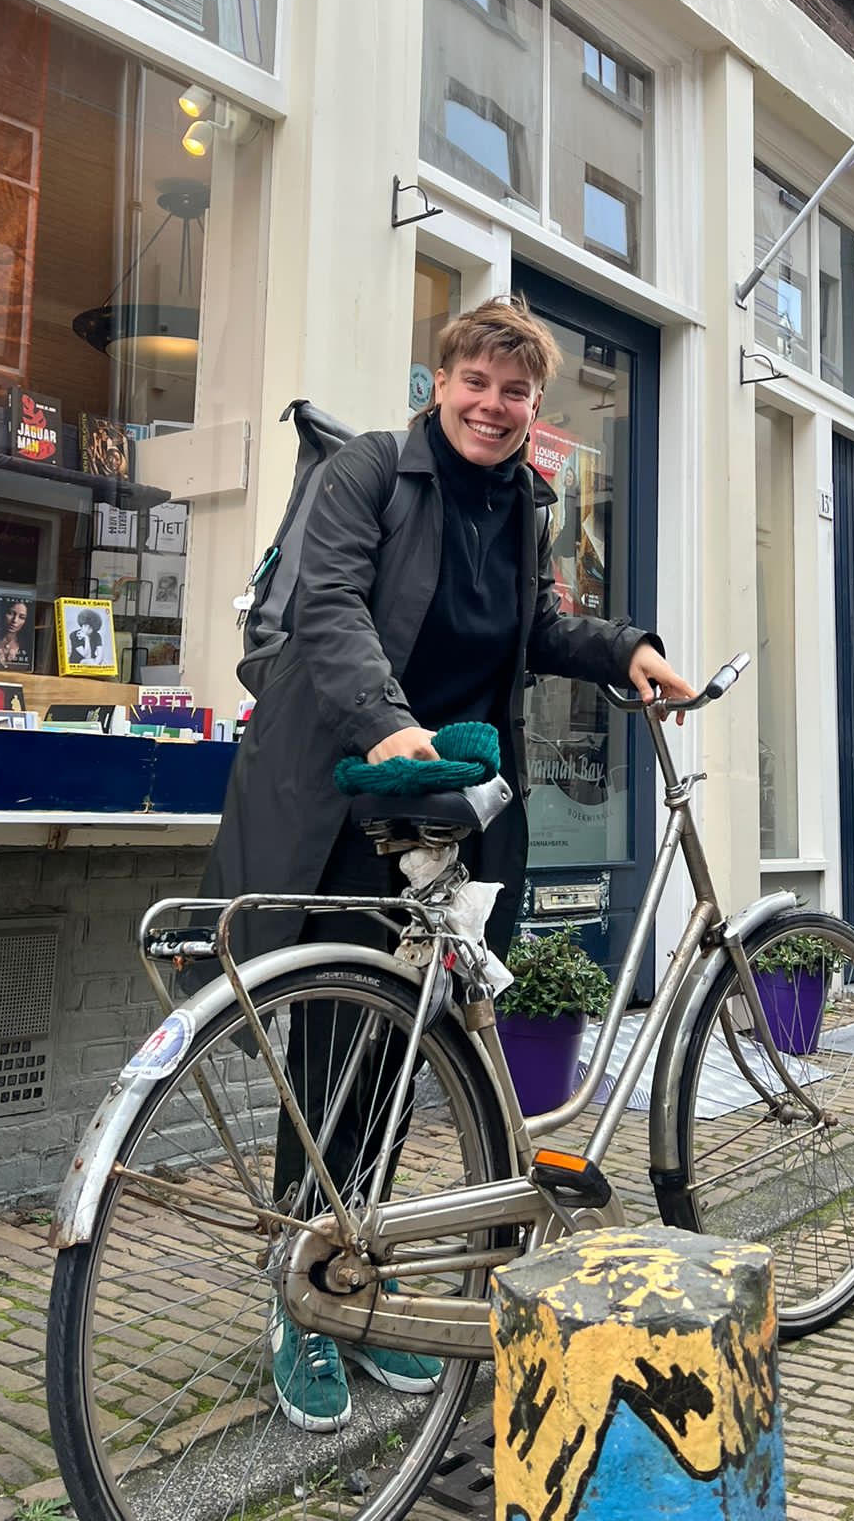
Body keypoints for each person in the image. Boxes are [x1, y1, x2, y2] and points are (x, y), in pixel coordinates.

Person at [198, 296, 696, 1431]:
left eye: (516, 391)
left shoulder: (525, 500)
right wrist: (385, 722)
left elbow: (540, 627)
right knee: (333, 1048)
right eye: (477, 382)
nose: (494, 405)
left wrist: (628, 647)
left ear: (535, 405)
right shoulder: (371, 472)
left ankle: (359, 1273)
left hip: (451, 813)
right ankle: (301, 1297)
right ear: (441, 383)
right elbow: (327, 605)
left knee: (403, 1048)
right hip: (348, 795)